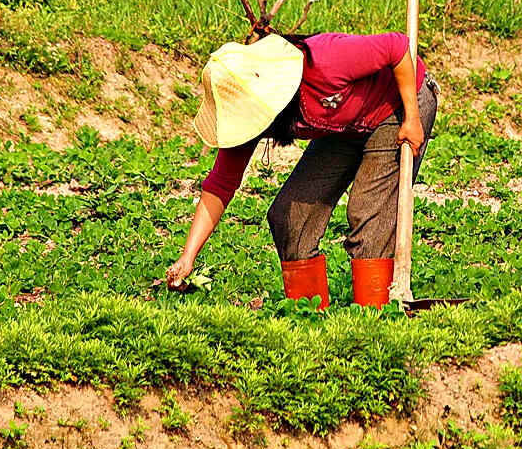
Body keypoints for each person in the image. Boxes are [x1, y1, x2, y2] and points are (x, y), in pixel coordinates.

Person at [166, 31, 438, 307]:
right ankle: (308, 315)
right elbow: (220, 185)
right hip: (344, 125)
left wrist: (413, 118)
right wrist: (187, 258)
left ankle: (376, 316)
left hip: (397, 108)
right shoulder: (252, 117)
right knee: (289, 216)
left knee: (369, 214)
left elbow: (397, 47)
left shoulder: (325, 61)